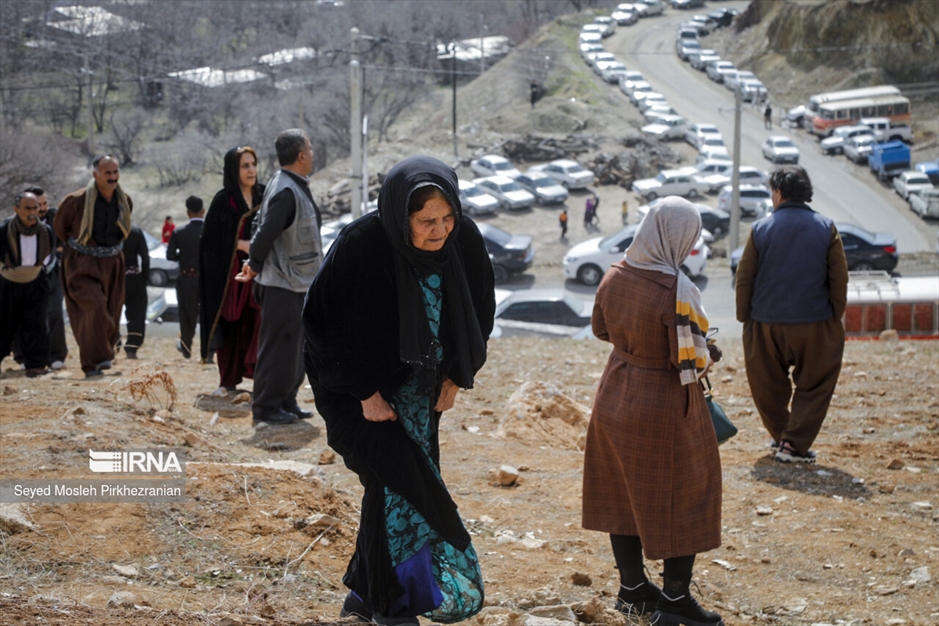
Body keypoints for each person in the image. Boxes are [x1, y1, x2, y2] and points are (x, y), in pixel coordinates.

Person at [303, 155, 494, 625]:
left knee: (399, 486)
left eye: (447, 217)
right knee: (398, 485)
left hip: (423, 390)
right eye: (426, 220)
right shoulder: (362, 245)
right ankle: (395, 607)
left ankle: (370, 599)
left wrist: (456, 375)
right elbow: (320, 327)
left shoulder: (462, 239)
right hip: (355, 391)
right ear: (399, 214)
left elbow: (480, 311)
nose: (440, 230)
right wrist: (366, 394)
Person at [582, 197, 724, 626]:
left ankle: (632, 590)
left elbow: (600, 329)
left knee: (621, 490)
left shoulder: (614, 274)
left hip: (615, 391)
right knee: (687, 494)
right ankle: (676, 602)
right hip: (664, 403)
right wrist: (711, 351)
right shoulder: (679, 291)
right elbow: (693, 360)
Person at [735, 166, 848, 464]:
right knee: (816, 383)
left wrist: (744, 317)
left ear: (779, 193)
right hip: (815, 322)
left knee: (766, 384)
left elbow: (744, 277)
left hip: (765, 323)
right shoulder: (826, 227)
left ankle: (783, 436)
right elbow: (839, 277)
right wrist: (835, 315)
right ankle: (793, 443)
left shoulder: (760, 229)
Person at [236, 129, 322, 426]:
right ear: (301, 155)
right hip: (282, 284)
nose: (312, 154)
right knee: (278, 350)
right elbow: (264, 233)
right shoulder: (286, 190)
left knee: (295, 349)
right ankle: (266, 408)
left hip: (296, 282)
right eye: (310, 149)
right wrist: (254, 264)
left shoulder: (289, 183)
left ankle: (286, 401)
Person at [54, 155, 132, 378]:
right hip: (82, 264)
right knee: (94, 307)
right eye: (107, 173)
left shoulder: (124, 200)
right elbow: (61, 227)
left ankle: (99, 359)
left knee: (111, 310)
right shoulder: (76, 201)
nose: (112, 177)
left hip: (113, 263)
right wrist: (79, 249)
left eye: (115, 172)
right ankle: (95, 360)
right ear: (95, 174)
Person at [199, 147, 264, 392]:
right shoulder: (223, 201)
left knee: (256, 322)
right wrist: (239, 244)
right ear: (233, 170)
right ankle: (228, 380)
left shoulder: (264, 195)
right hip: (229, 274)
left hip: (259, 271)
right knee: (230, 323)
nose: (251, 170)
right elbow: (209, 242)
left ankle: (259, 378)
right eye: (245, 166)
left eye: (253, 164)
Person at [12, 186, 68, 370]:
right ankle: (23, 357)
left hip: (51, 273)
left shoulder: (54, 217)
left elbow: (66, 239)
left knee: (54, 312)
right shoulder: (13, 225)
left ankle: (55, 355)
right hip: (23, 276)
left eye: (45, 203)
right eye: (37, 205)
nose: (42, 208)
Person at [1, 192, 54, 377]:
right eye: (28, 208)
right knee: (3, 324)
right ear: (17, 209)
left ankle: (36, 365)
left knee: (36, 324)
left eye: (35, 208)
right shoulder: (4, 229)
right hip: (8, 282)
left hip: (36, 282)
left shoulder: (46, 231)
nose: (33, 212)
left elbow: (49, 255)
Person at [167, 196, 204, 359]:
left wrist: (183, 258)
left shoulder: (179, 232)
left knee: (186, 313)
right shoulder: (210, 231)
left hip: (186, 278)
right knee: (207, 314)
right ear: (203, 211)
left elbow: (170, 256)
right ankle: (208, 351)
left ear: (188, 213)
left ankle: (186, 347)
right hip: (206, 280)